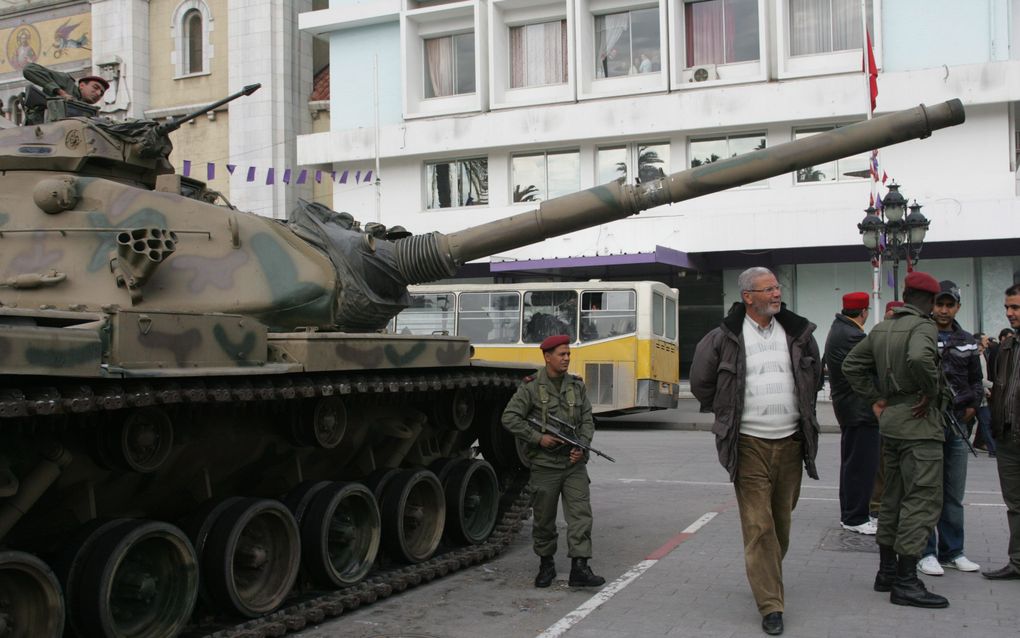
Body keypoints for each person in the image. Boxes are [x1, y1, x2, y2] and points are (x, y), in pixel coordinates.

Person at [690, 267, 822, 636]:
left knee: (781, 523)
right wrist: (729, 413)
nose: (777, 294)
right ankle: (771, 604)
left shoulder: (798, 333)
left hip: (792, 444)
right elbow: (702, 383)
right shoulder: (723, 338)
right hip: (748, 444)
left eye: (777, 287)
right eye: (768, 289)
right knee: (759, 526)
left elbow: (815, 378)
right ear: (748, 296)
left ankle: (766, 576)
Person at [842, 271, 949, 609]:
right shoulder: (923, 327)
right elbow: (919, 358)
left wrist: (876, 397)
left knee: (892, 497)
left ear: (904, 294)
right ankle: (906, 580)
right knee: (922, 499)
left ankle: (886, 572)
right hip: (919, 422)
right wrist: (930, 391)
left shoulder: (882, 327)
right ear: (930, 302)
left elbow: (851, 365)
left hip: (891, 422)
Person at [501, 335, 605, 589]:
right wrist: (538, 438)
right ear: (547, 357)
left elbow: (587, 420)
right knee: (544, 520)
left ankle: (580, 567)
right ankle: (546, 564)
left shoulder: (576, 386)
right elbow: (510, 417)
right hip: (545, 466)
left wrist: (581, 447)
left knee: (581, 516)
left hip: (573, 466)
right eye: (561, 354)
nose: (567, 358)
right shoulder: (531, 387)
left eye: (568, 354)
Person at [916, 281, 982, 576]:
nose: (943, 310)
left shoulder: (968, 340)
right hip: (927, 423)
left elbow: (976, 380)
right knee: (927, 491)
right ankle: (925, 552)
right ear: (932, 305)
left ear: (957, 307)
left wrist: (973, 404)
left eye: (949, 305)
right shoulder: (922, 335)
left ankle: (953, 551)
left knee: (953, 493)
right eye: (939, 304)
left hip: (957, 427)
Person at [825, 292, 880, 535]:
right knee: (861, 466)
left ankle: (852, 513)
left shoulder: (840, 329)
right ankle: (855, 517)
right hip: (858, 409)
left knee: (853, 465)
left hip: (850, 408)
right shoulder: (853, 335)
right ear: (864, 311)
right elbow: (874, 366)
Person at [983, 284, 1020, 580]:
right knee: (1015, 504)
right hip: (1008, 437)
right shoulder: (1006, 348)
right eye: (1008, 307)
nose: (1009, 313)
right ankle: (1017, 562)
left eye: (1016, 308)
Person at [22, 62, 108, 124]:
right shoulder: (66, 82)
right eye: (95, 87)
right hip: (37, 129)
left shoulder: (88, 111)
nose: (98, 93)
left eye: (101, 93)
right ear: (82, 85)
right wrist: (61, 92)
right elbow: (29, 69)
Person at [973, 333, 997, 456]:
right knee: (984, 422)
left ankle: (992, 449)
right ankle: (993, 450)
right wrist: (992, 386)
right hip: (975, 395)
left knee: (985, 422)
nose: (987, 342)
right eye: (985, 340)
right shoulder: (975, 357)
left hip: (982, 395)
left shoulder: (985, 355)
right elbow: (979, 377)